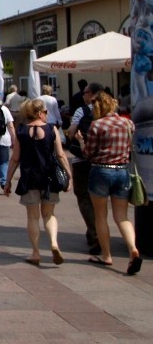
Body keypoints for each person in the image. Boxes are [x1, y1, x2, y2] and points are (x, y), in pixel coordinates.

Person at [79, 91, 142, 274]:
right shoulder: (127, 123)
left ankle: (106, 255)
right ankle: (133, 249)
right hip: (122, 171)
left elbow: (89, 153)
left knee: (100, 215)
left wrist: (82, 143)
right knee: (122, 216)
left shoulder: (97, 125)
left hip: (100, 170)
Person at [3, 98, 72, 266]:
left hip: (29, 177)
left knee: (33, 217)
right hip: (49, 177)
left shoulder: (21, 131)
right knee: (49, 214)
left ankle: (35, 252)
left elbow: (15, 158)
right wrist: (69, 176)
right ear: (40, 113)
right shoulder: (51, 129)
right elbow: (61, 155)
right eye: (46, 112)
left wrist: (8, 181)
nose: (47, 115)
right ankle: (54, 244)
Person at [64, 82, 104, 255]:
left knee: (83, 196)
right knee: (100, 199)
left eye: (86, 92)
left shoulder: (82, 111)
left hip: (82, 159)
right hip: (103, 160)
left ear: (93, 94)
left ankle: (96, 234)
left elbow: (71, 132)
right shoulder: (110, 111)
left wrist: (72, 135)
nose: (82, 95)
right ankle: (94, 231)